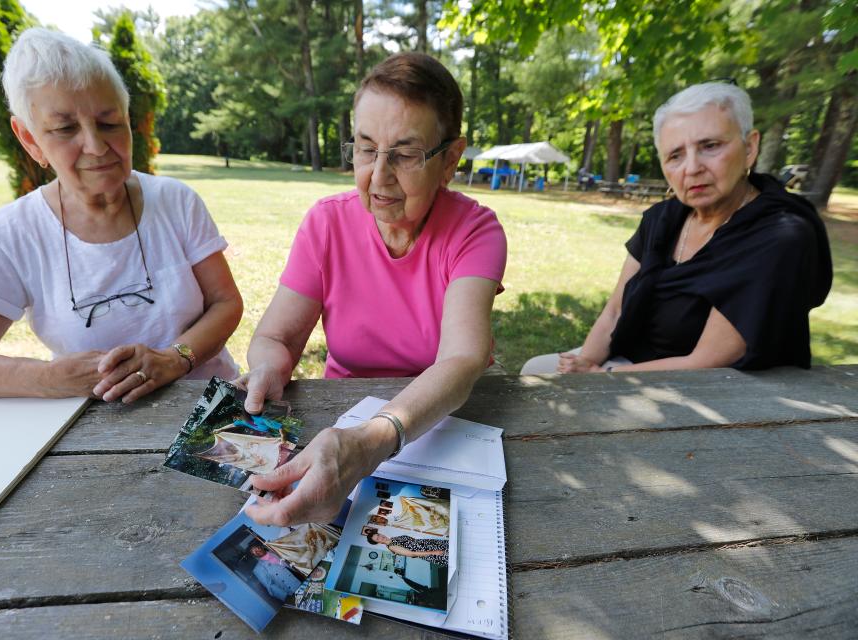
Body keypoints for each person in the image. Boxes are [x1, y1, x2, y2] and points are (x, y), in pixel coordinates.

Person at [0, 29, 242, 401]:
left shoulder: (175, 200)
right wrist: (44, 378)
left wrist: (175, 359)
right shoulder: (8, 236)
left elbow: (225, 302)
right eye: (65, 129)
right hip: (90, 427)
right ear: (29, 139)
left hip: (208, 404)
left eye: (110, 123)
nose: (96, 146)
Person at [237, 52, 507, 527]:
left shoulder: (475, 232)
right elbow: (276, 338)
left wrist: (371, 441)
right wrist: (268, 368)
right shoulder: (327, 223)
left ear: (449, 160)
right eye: (365, 148)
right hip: (338, 426)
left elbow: (462, 360)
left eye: (404, 155)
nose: (378, 178)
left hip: (442, 428)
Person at [520, 81, 832, 376]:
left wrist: (604, 375)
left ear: (750, 148)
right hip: (630, 362)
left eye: (710, 146)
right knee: (535, 371)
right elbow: (614, 312)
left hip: (712, 389)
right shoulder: (662, 219)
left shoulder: (780, 234)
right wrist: (584, 363)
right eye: (675, 155)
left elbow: (711, 361)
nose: (692, 168)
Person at [366, 531, 448, 567]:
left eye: (378, 535)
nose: (381, 537)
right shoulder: (392, 547)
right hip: (430, 552)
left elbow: (413, 541)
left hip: (431, 544)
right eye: (378, 539)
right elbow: (412, 554)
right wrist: (434, 552)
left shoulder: (393, 538)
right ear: (378, 542)